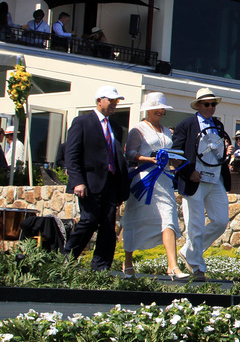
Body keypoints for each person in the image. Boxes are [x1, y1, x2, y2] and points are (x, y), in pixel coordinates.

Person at [121, 92, 189, 280]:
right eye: (157, 108)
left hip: (164, 181)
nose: (160, 111)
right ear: (149, 110)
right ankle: (127, 264)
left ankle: (173, 266)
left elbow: (171, 152)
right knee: (135, 219)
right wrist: (147, 159)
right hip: (144, 181)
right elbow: (130, 154)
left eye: (162, 109)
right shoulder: (138, 129)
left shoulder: (167, 131)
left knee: (168, 218)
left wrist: (177, 161)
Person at [61, 85, 131, 271]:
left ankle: (101, 267)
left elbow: (116, 155)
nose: (114, 104)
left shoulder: (115, 127)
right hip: (89, 183)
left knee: (108, 226)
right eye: (111, 100)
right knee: (89, 220)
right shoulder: (82, 122)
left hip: (110, 183)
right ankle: (65, 259)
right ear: (99, 100)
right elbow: (72, 154)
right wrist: (77, 181)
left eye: (116, 101)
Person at [172, 86, 233, 279]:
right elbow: (176, 152)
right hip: (195, 180)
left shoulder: (218, 125)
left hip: (215, 179)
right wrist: (189, 172)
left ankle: (189, 251)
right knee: (195, 224)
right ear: (198, 105)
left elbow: (217, 152)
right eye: (207, 104)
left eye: (213, 104)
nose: (210, 107)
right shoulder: (186, 125)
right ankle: (197, 267)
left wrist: (227, 151)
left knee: (221, 220)